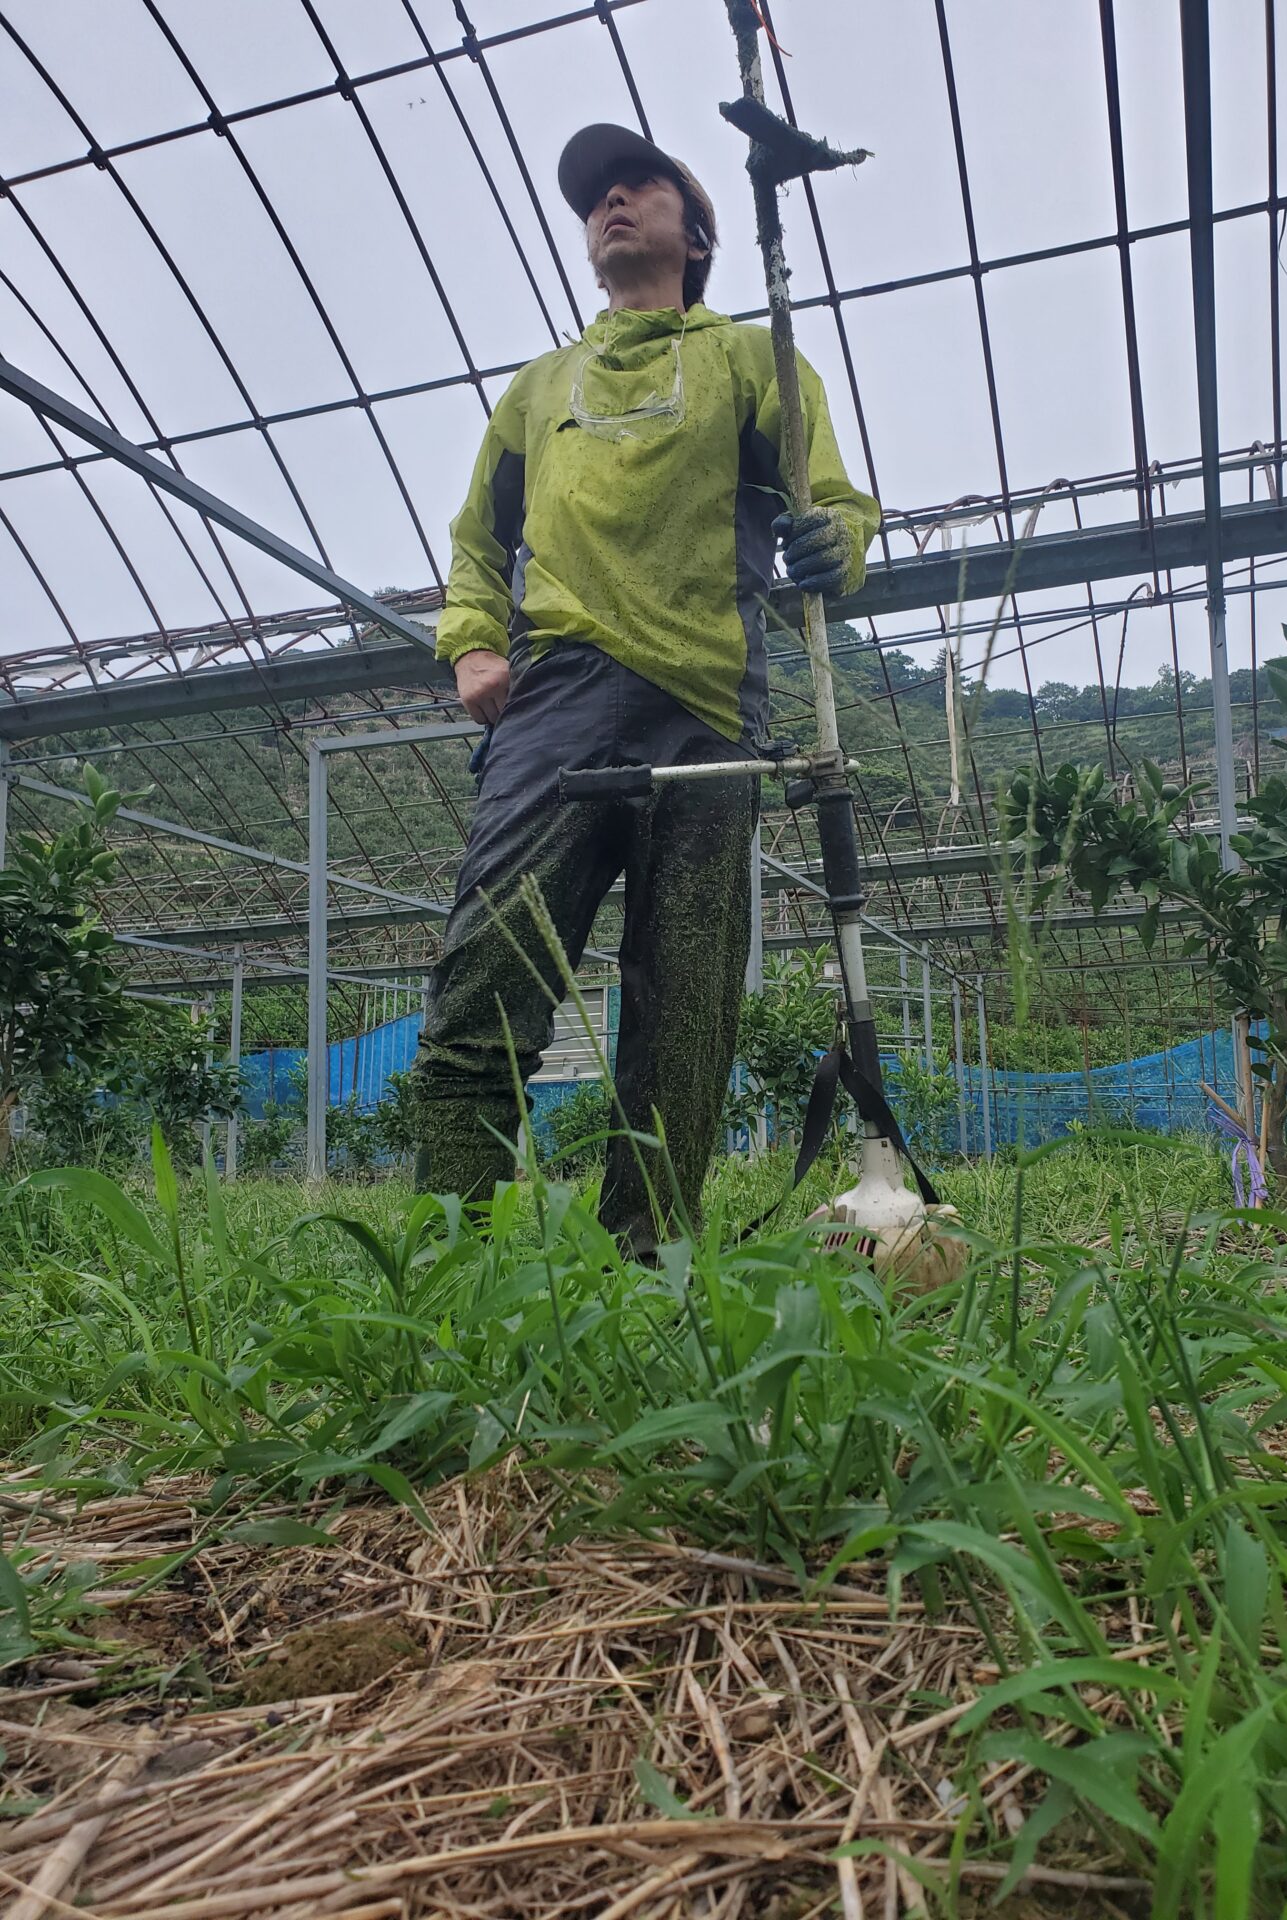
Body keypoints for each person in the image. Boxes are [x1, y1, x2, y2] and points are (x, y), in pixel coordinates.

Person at [411, 122, 879, 1251]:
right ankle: (451, 1262)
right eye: (594, 199)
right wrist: (474, 644)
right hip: (558, 701)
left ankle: (648, 1255)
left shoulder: (749, 359)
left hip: (708, 705)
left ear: (696, 228)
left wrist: (836, 541)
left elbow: (835, 500)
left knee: (683, 1011)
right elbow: (481, 542)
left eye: (639, 187)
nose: (612, 203)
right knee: (486, 982)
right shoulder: (536, 390)